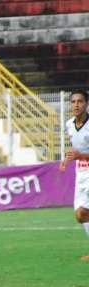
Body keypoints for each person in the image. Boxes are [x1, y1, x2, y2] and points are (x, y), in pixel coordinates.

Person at [59, 89, 89, 262]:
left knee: (82, 213)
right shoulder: (69, 124)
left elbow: (81, 153)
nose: (76, 105)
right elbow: (76, 149)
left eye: (80, 101)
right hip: (81, 171)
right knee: (80, 215)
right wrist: (67, 160)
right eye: (73, 102)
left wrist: (80, 156)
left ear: (86, 104)